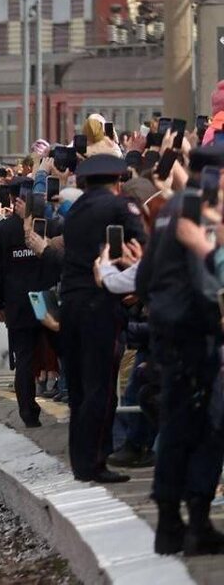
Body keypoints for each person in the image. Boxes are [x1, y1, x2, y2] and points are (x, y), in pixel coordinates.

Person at [137, 147, 224, 556]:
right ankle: (194, 522)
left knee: (175, 425)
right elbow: (208, 285)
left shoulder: (171, 209)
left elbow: (145, 276)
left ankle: (171, 522)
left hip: (167, 333)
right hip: (196, 334)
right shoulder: (203, 214)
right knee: (204, 429)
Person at [58, 153, 147, 483]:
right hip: (101, 302)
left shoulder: (75, 210)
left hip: (71, 303)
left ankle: (81, 461)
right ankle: (96, 461)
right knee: (102, 387)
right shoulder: (120, 207)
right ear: (118, 180)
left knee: (80, 388)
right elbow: (141, 243)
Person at [0, 178, 61, 427]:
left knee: (25, 359)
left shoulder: (2, 230)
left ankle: (28, 413)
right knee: (62, 351)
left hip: (19, 302)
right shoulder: (49, 225)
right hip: (47, 299)